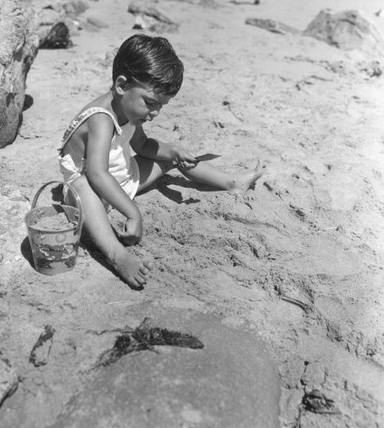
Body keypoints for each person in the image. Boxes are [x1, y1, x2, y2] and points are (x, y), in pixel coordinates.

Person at [58, 34, 264, 289]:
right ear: (121, 85)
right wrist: (132, 212)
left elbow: (142, 146)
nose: (154, 113)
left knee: (172, 157)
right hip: (91, 191)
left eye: (161, 107)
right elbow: (98, 173)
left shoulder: (130, 112)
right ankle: (118, 255)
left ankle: (231, 182)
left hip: (122, 177)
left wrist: (174, 152)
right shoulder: (100, 118)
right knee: (83, 189)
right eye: (150, 103)